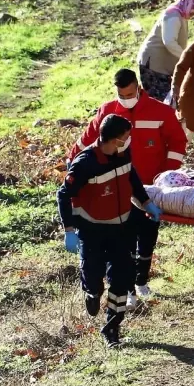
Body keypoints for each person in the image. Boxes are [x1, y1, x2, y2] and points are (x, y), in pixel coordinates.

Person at [69, 69, 187, 307]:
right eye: (122, 95)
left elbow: (177, 143)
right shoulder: (108, 111)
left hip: (150, 189)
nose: (126, 98)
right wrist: (72, 166)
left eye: (130, 94)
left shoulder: (161, 112)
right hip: (118, 191)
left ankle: (142, 279)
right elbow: (87, 141)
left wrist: (163, 176)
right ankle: (130, 287)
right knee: (125, 241)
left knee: (148, 237)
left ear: (139, 88)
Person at [57, 114, 162, 348]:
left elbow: (131, 178)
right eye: (125, 137)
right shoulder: (85, 163)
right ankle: (92, 293)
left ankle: (112, 328)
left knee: (122, 278)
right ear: (114, 139)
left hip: (120, 227)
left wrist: (146, 203)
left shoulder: (123, 154)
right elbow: (64, 194)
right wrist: (69, 229)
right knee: (94, 276)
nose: (128, 140)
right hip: (92, 229)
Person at [137, 0, 194, 101]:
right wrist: (187, 57)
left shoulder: (180, 15)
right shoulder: (173, 16)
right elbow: (169, 42)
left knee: (170, 99)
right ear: (190, 4)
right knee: (162, 101)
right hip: (154, 64)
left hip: (161, 65)